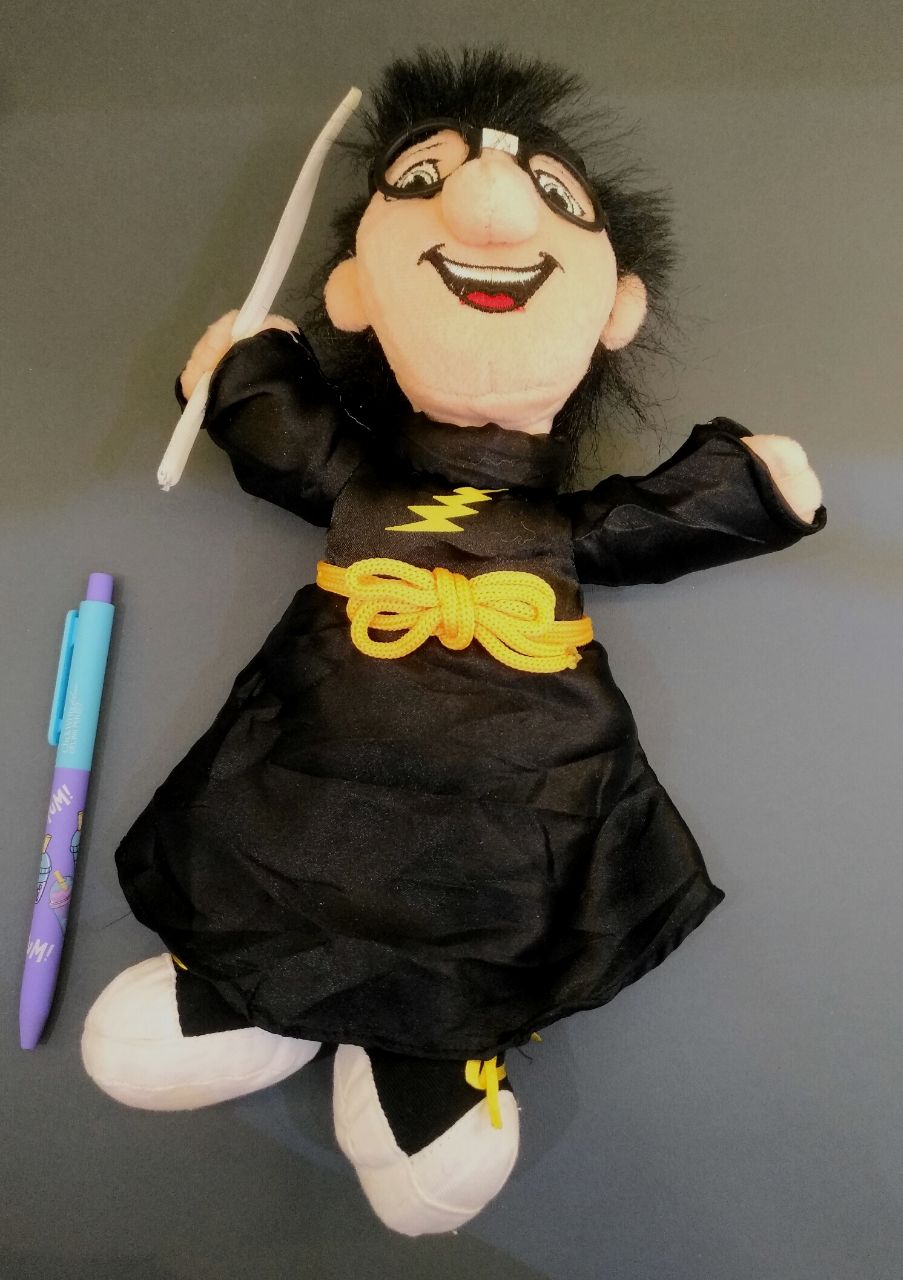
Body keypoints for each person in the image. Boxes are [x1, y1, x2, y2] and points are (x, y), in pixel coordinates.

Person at [82, 49, 825, 1236]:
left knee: (492, 871)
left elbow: (638, 524)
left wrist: (742, 488)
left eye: (551, 196)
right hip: (325, 736)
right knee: (284, 817)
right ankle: (246, 983)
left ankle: (427, 1052)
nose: (486, 205)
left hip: (524, 758)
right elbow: (293, 444)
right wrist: (246, 371)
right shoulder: (362, 484)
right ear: (352, 293)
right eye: (424, 180)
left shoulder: (550, 525)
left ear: (617, 307)